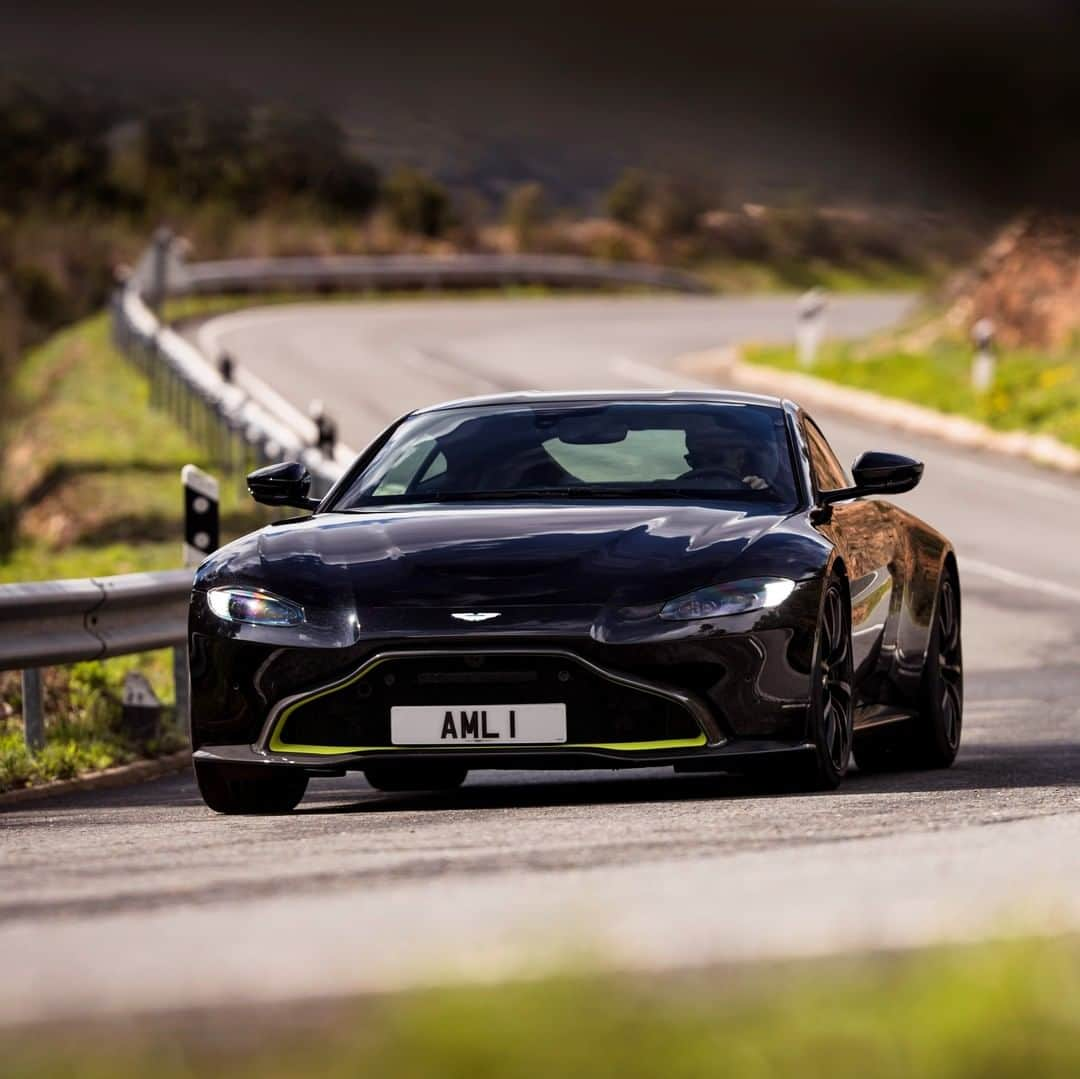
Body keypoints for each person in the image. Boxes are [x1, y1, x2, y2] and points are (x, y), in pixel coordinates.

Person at [678, 420, 771, 490]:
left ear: (740, 458)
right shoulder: (673, 492)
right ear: (690, 461)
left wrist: (761, 492)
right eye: (698, 461)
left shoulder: (752, 490)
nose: (709, 469)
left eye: (717, 459)